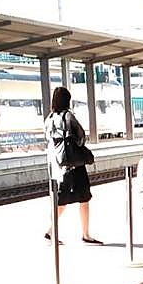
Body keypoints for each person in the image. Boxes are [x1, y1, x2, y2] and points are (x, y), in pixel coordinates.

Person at [44, 87, 98, 244]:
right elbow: (81, 137)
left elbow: (49, 140)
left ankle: (51, 231)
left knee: (61, 200)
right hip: (75, 164)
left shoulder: (49, 119)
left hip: (59, 165)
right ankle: (85, 234)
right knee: (84, 198)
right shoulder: (68, 116)